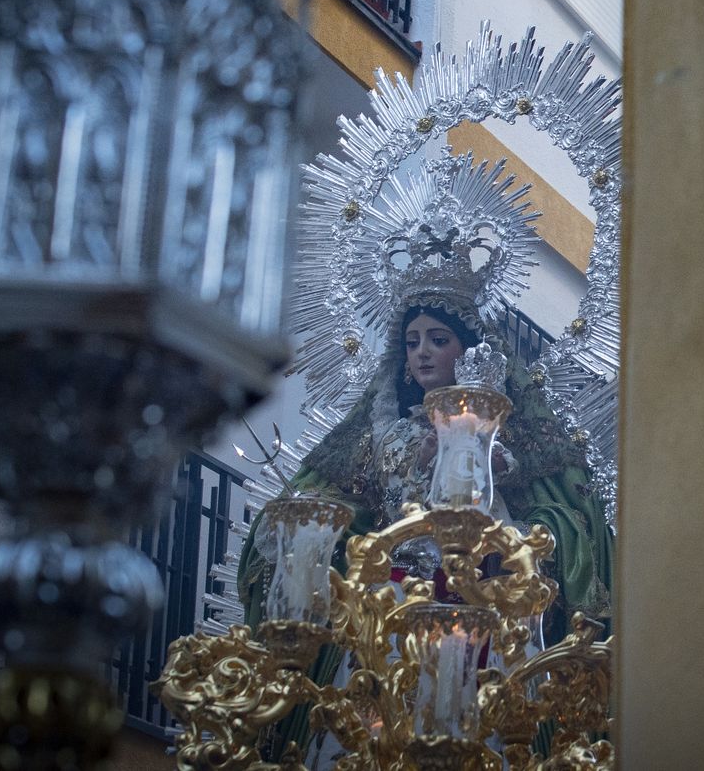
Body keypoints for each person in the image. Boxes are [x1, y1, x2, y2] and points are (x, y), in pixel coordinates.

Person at [235, 291, 614, 756]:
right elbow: (361, 500)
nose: (423, 352)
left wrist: (494, 475)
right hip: (400, 591)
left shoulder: (503, 434)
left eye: (438, 339)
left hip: (480, 594)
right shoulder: (388, 432)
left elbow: (548, 503)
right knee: (372, 710)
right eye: (412, 342)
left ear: (468, 351)